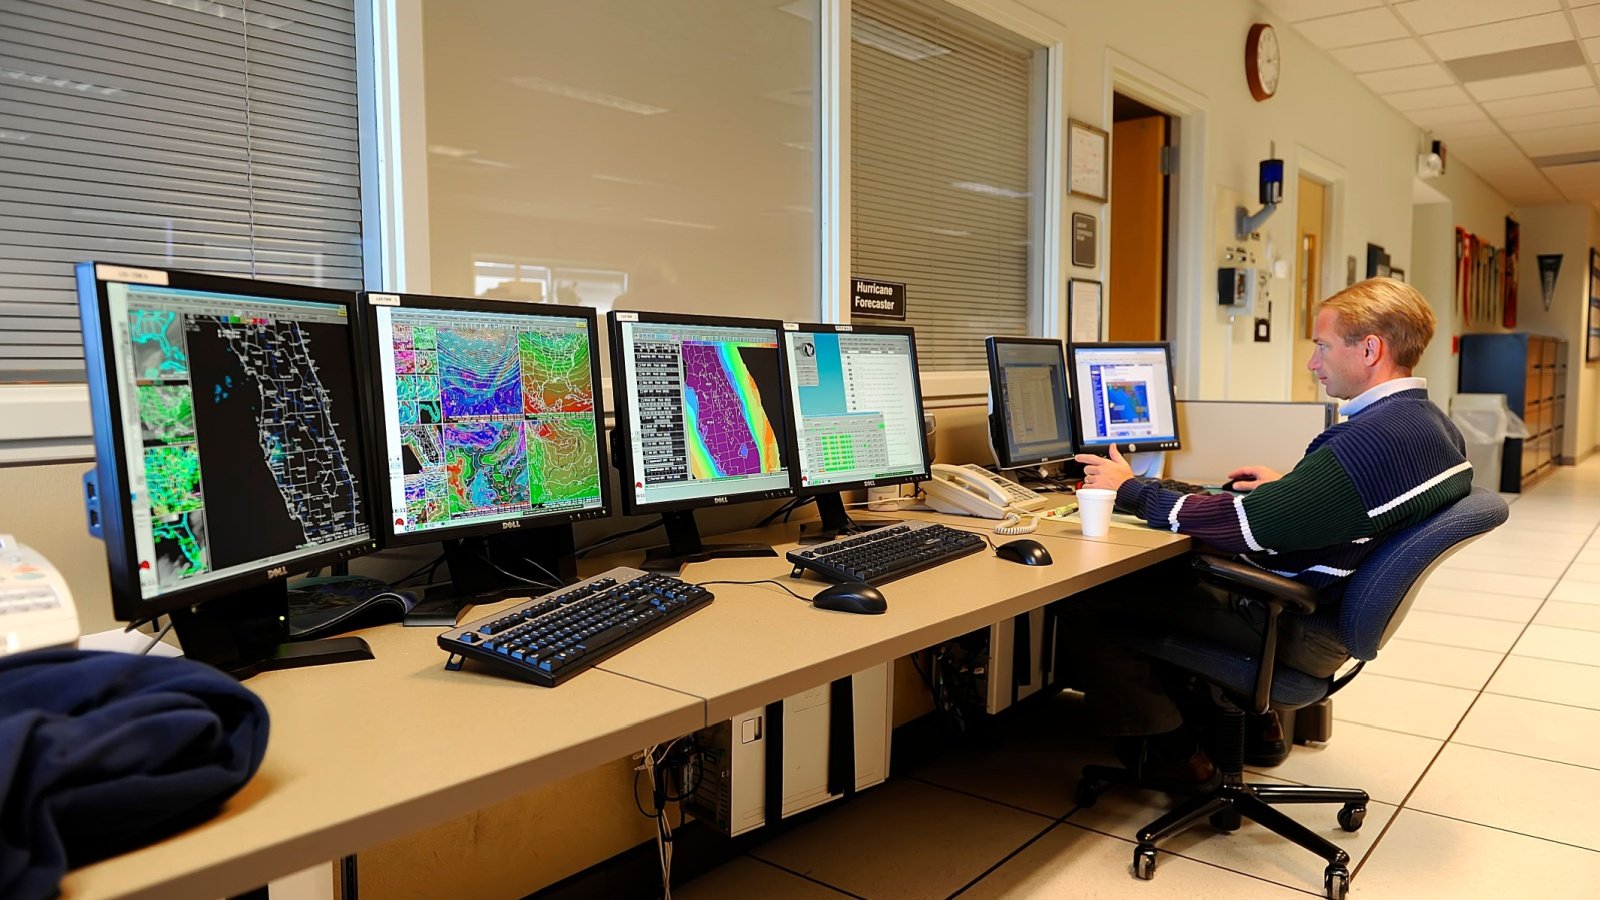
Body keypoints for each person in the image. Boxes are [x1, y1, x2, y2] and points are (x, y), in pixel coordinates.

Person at [1064, 277, 1472, 781]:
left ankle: (1178, 756)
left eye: (1322, 346)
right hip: (1325, 609)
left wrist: (1129, 489)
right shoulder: (1430, 425)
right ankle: (1253, 729)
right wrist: (1297, 489)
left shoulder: (1366, 443)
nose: (1313, 362)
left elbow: (1242, 528)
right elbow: (1367, 502)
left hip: (1293, 622)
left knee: (1094, 595)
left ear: (1370, 349)